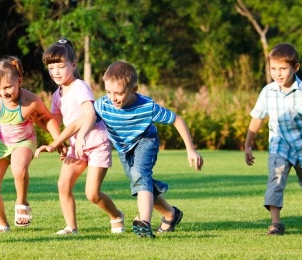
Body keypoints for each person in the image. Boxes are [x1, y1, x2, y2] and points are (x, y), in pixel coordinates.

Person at [42, 60, 204, 238]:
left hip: (145, 140)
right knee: (140, 182)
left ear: (133, 89)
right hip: (124, 148)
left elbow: (176, 120)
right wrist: (56, 143)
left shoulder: (146, 106)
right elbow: (78, 124)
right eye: (109, 92)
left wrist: (191, 150)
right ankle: (171, 214)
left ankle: (144, 223)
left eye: (118, 93)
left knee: (140, 175)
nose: (113, 98)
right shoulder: (104, 105)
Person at [0, 56, 63, 234]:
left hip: (24, 142)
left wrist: (59, 142)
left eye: (8, 87)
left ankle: (21, 202)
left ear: (19, 81)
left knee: (19, 168)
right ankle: (2, 223)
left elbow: (48, 120)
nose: (3, 93)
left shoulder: (30, 100)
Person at [35, 38, 125, 235]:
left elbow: (90, 114)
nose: (56, 72)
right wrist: (34, 119)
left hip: (96, 142)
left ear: (73, 65)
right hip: (77, 145)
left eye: (61, 66)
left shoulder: (80, 86)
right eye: (51, 67)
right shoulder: (58, 94)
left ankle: (116, 215)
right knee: (63, 184)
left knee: (92, 194)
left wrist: (81, 135)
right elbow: (54, 123)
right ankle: (71, 227)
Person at [244, 43, 302, 235]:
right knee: (276, 179)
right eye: (273, 69)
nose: (278, 73)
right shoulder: (267, 91)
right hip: (279, 146)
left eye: (282, 68)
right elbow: (257, 118)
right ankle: (276, 223)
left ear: (295, 67)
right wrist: (248, 144)